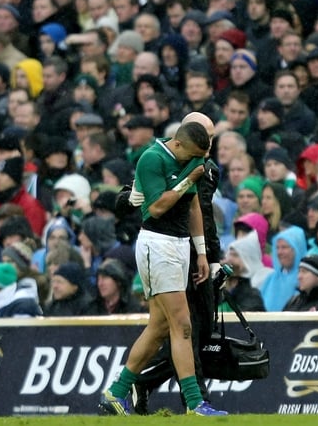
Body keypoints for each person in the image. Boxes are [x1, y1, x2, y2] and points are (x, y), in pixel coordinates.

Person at [100, 117, 226, 416]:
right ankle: (196, 403)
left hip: (181, 245)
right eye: (195, 153)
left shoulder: (191, 158)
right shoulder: (152, 158)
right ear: (178, 142)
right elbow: (156, 207)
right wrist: (187, 180)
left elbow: (194, 207)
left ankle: (116, 393)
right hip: (157, 244)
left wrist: (202, 253)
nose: (199, 160)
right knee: (182, 325)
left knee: (158, 327)